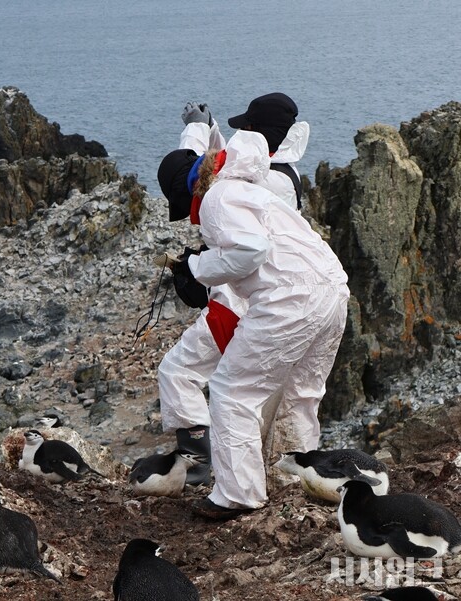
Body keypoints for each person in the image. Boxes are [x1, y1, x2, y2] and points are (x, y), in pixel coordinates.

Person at [174, 129, 348, 519]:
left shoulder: (217, 197)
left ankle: (238, 495)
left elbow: (250, 250)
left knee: (233, 390)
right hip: (333, 289)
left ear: (188, 192)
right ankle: (297, 477)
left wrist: (196, 267)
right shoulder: (252, 189)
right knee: (302, 391)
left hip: (290, 298)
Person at [153, 94, 310, 486]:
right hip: (290, 303)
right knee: (282, 399)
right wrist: (210, 131)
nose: (241, 133)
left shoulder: (261, 182)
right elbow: (224, 163)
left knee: (182, 373)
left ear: (256, 132)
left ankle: (200, 464)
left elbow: (193, 177)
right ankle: (291, 474)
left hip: (245, 306)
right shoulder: (284, 175)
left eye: (246, 127)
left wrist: (197, 268)